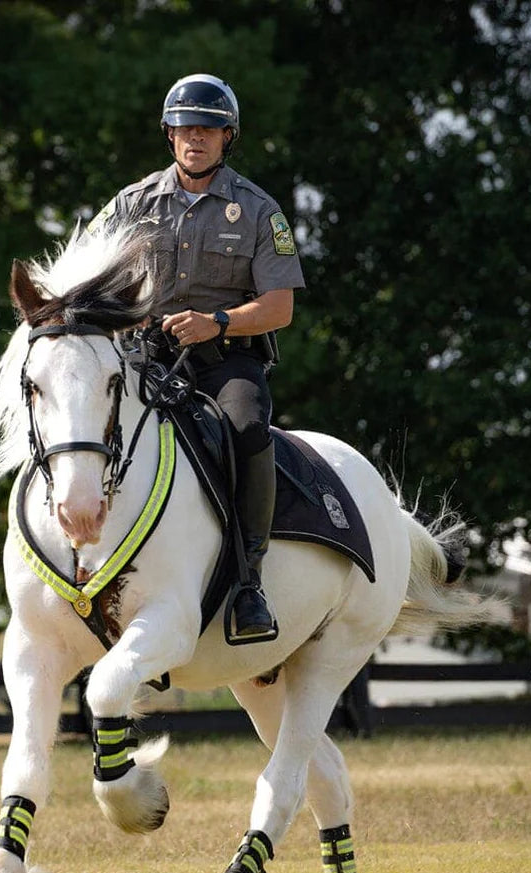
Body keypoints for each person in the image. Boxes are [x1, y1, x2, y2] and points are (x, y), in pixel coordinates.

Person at [89, 73, 304, 642]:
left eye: (208, 128)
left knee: (249, 428)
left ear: (227, 137)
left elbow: (279, 307)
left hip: (225, 359)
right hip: (145, 357)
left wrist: (218, 322)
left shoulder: (260, 211)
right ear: (169, 134)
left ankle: (249, 581)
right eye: (186, 127)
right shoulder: (130, 205)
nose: (196, 138)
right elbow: (92, 282)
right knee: (83, 424)